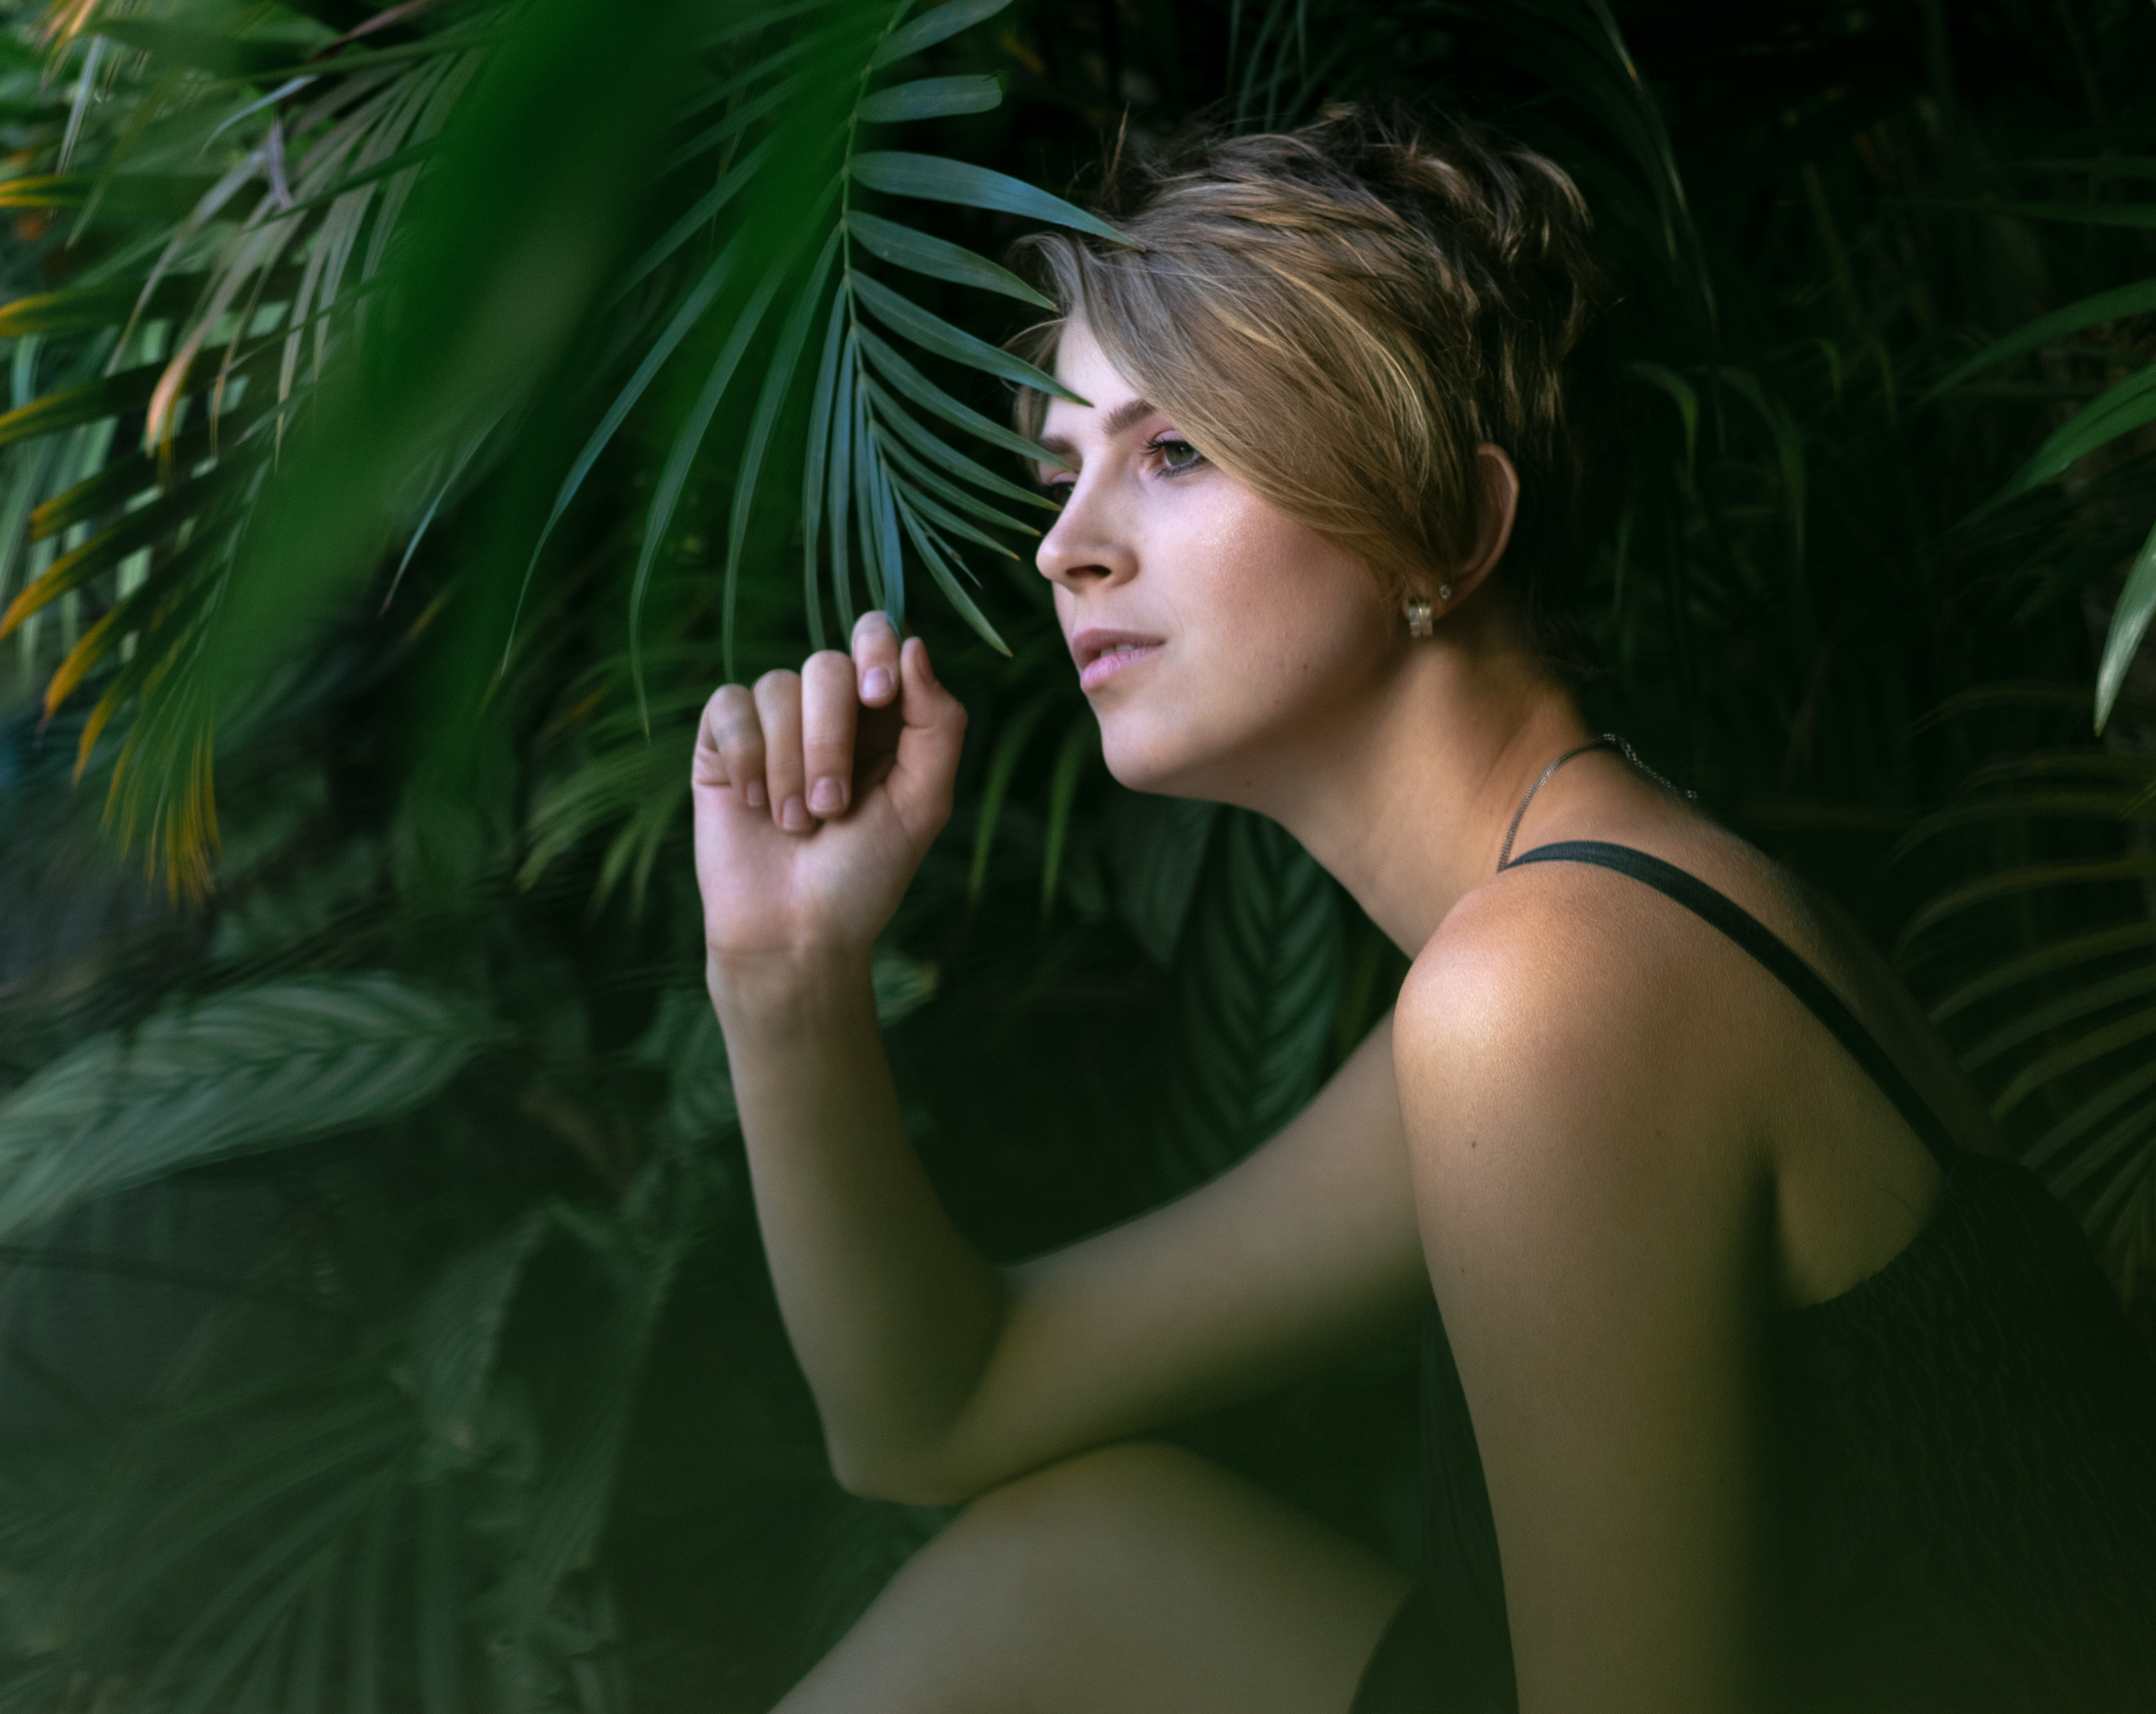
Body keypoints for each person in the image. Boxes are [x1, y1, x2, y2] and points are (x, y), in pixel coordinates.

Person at [687, 105, 2156, 1714]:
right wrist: (784, 973)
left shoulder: (1552, 987)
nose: (1062, 548)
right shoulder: (1562, 937)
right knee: (1063, 1567)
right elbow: (941, 1408)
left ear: (1449, 525)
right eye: (1064, 468)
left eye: (1174, 452)